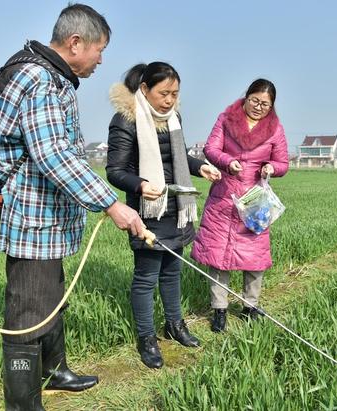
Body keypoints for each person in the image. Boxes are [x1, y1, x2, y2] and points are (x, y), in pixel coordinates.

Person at [0, 4, 147, 410]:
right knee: (29, 312)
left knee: (52, 296)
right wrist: (112, 205)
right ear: (75, 43)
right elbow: (53, 156)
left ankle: (53, 371)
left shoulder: (50, 77)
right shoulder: (39, 80)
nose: (100, 59)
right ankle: (23, 404)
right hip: (33, 217)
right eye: (100, 49)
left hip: (48, 219)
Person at [106, 62, 221, 369]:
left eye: (175, 93)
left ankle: (175, 324)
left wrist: (201, 167)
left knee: (172, 271)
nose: (170, 100)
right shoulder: (126, 120)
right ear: (145, 90)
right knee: (146, 278)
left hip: (177, 207)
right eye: (164, 93)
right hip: (148, 210)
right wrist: (140, 186)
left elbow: (179, 157)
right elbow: (114, 172)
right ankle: (146, 337)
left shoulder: (174, 118)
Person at [191, 79, 289, 333]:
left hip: (255, 200)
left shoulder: (275, 129)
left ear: (272, 106)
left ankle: (250, 306)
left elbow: (283, 163)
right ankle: (219, 309)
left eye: (265, 104)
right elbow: (211, 148)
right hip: (224, 197)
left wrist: (271, 168)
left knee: (254, 258)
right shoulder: (226, 119)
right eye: (255, 100)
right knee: (219, 257)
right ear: (246, 97)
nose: (258, 107)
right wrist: (227, 161)